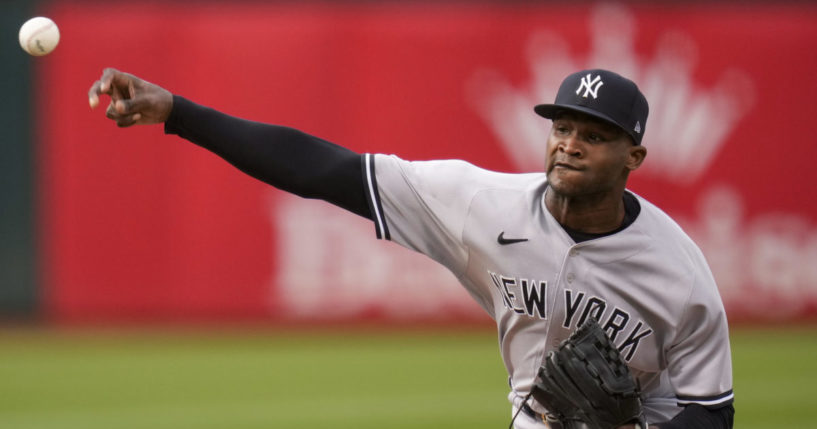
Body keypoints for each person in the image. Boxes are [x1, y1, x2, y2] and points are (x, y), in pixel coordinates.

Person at [88, 68, 734, 428]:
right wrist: (178, 111)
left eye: (593, 135)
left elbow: (711, 411)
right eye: (561, 127)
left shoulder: (677, 273)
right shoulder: (479, 202)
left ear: (634, 156)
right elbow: (321, 169)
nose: (567, 143)